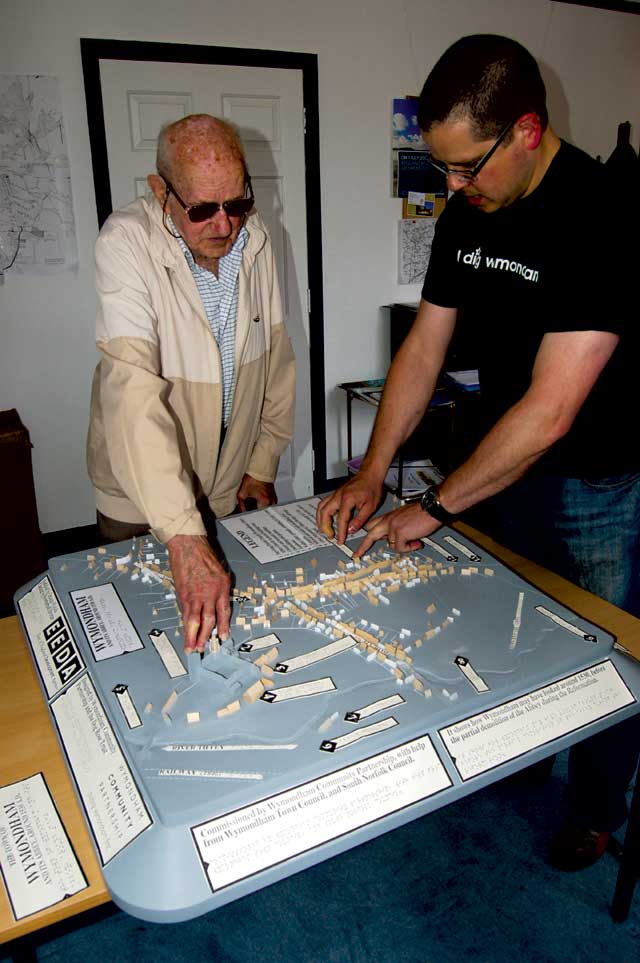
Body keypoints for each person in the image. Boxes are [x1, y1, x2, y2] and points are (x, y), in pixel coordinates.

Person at [317, 34, 639, 871]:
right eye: (444, 169)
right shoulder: (467, 214)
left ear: (527, 129)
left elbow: (554, 406)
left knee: (608, 652)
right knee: (513, 627)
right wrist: (370, 469)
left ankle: (598, 806)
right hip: (504, 469)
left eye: (467, 167)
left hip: (595, 481)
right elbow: (425, 346)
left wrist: (429, 506)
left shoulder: (604, 215)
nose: (453, 187)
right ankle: (524, 752)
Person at [87, 115, 295, 653]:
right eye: (202, 209)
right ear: (161, 192)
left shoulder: (258, 240)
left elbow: (275, 357)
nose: (225, 225)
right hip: (141, 497)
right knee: (135, 644)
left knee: (219, 637)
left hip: (226, 482)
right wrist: (182, 534)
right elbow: (131, 390)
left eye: (238, 203)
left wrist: (263, 461)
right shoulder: (125, 242)